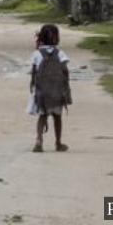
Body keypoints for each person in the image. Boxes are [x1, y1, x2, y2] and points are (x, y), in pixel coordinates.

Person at [30, 24, 72, 152]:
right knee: (57, 117)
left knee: (42, 117)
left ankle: (38, 140)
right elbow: (65, 71)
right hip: (57, 92)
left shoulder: (37, 53)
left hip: (42, 93)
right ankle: (58, 143)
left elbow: (34, 72)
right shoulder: (60, 53)